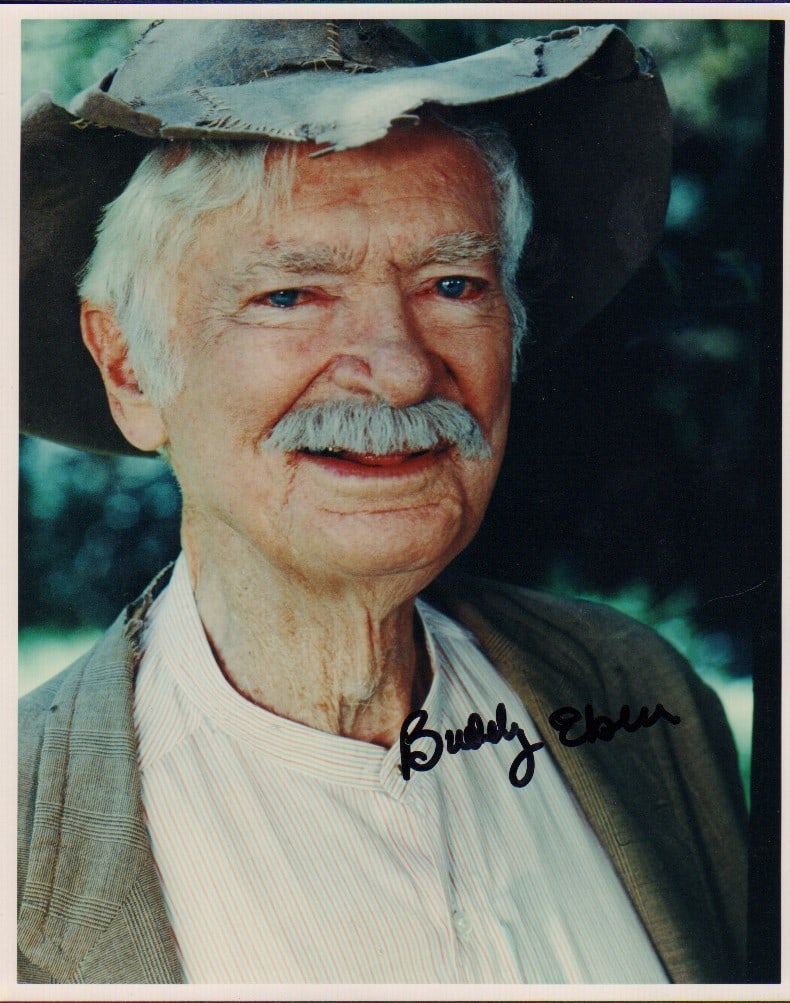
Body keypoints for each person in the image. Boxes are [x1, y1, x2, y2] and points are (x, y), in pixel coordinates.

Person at [19, 19, 747, 985]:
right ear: (129, 367)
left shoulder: (642, 699)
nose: (402, 372)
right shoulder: (20, 839)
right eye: (290, 295)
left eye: (453, 284)